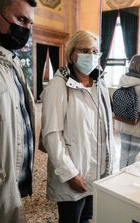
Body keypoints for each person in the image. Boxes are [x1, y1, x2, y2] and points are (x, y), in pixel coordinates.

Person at [40, 30, 116, 223]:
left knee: (88, 218)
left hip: (98, 171)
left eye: (95, 51)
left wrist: (110, 165)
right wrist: (70, 174)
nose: (90, 55)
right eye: (84, 50)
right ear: (72, 54)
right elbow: (51, 136)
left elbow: (107, 129)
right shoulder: (59, 86)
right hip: (74, 173)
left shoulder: (100, 84)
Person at [0, 0, 37, 222]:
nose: (26, 30)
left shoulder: (11, 60)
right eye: (21, 19)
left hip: (9, 191)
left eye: (30, 23)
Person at [115, 55, 140, 169]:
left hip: (123, 121)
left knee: (124, 152)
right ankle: (128, 179)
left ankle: (120, 177)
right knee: (133, 155)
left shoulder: (122, 79)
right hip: (137, 125)